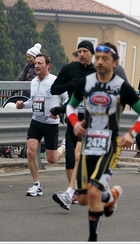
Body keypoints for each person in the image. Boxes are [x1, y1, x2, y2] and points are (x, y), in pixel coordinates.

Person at [66, 42, 140, 241]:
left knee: (94, 192)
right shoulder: (85, 83)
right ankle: (111, 196)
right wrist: (75, 123)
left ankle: (92, 239)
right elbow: (70, 107)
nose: (100, 62)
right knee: (85, 199)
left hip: (110, 145)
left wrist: (131, 133)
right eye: (98, 58)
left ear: (115, 62)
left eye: (105, 59)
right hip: (88, 145)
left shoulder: (122, 87)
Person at [50, 40, 96, 209]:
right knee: (71, 157)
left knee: (82, 157)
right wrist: (70, 84)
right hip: (73, 119)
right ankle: (74, 193)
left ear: (92, 53)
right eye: (79, 51)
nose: (82, 54)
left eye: (85, 51)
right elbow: (54, 89)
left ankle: (74, 192)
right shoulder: (69, 69)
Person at [15, 53, 68, 196]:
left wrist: (59, 111)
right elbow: (32, 102)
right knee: (30, 151)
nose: (36, 66)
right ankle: (36, 184)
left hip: (51, 123)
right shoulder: (33, 82)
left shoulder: (56, 81)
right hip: (36, 121)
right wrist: (22, 105)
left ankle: (64, 146)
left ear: (48, 65)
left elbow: (69, 100)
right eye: (35, 63)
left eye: (40, 63)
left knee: (51, 159)